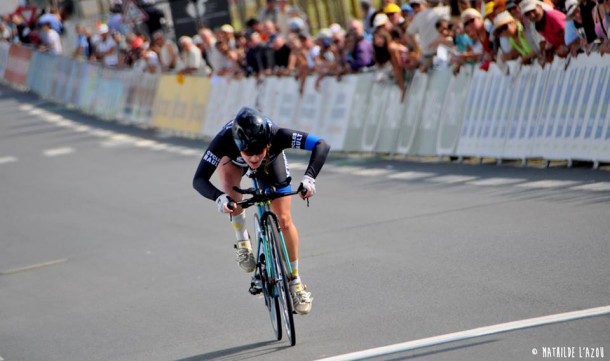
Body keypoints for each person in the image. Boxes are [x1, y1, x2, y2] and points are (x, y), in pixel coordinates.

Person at [192, 107, 330, 315]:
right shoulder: (223, 141)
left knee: (283, 219)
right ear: (239, 146)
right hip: (232, 162)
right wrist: (219, 198)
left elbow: (321, 144)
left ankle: (296, 282)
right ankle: (243, 241)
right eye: (248, 153)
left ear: (267, 144)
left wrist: (309, 179)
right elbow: (199, 179)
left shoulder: (277, 135)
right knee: (232, 196)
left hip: (271, 163)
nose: (254, 158)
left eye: (258, 151)